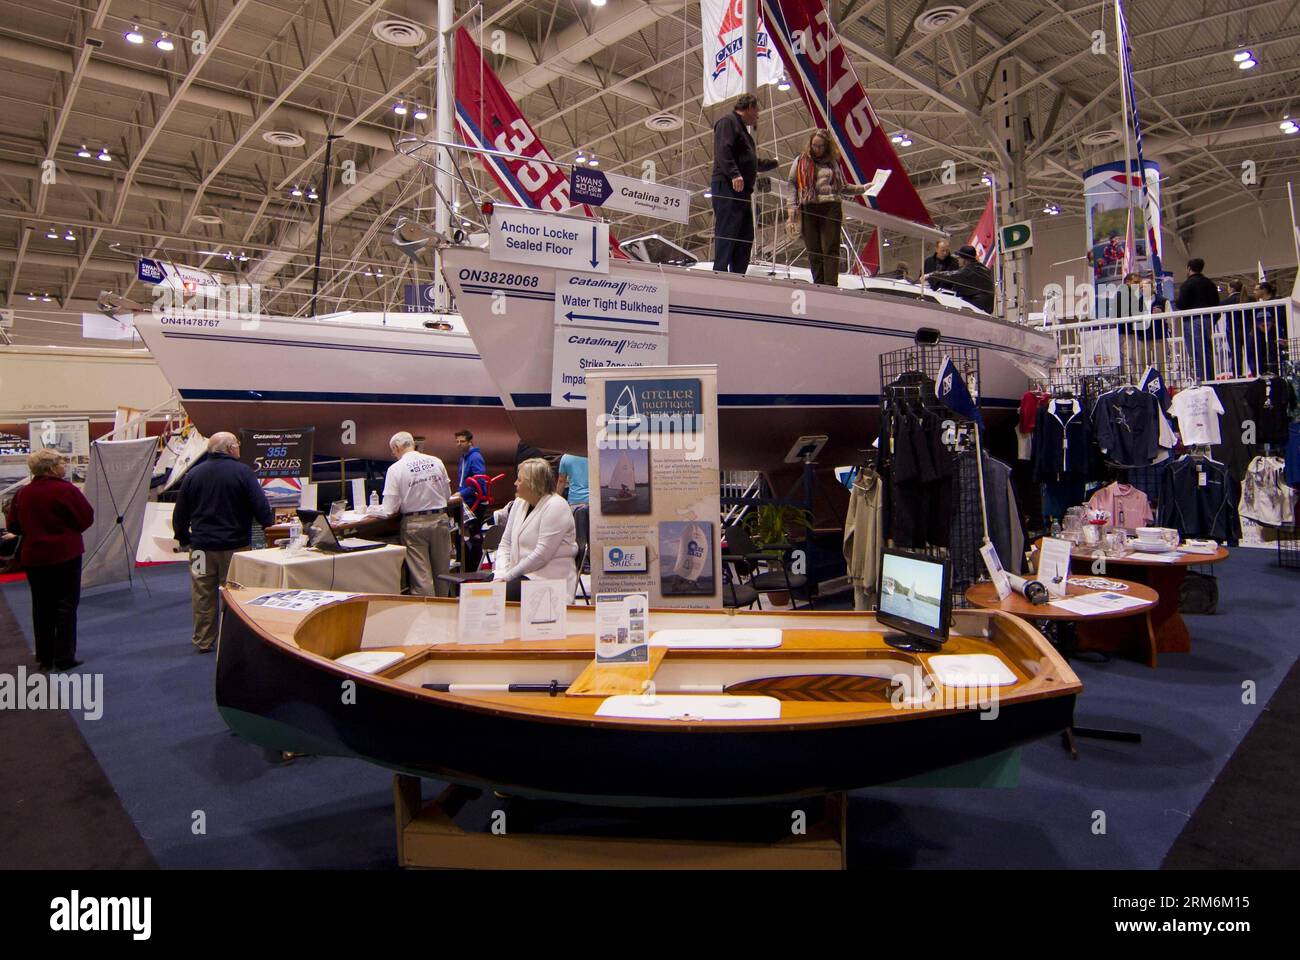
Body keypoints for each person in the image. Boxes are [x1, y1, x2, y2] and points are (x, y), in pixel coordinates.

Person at [173, 432, 273, 654]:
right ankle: (234, 641)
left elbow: (180, 513)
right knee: (235, 594)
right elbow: (261, 507)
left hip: (200, 548)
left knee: (201, 593)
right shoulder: (243, 472)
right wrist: (269, 522)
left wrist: (184, 538)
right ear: (229, 449)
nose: (239, 447)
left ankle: (203, 640)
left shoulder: (193, 474)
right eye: (237, 444)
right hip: (235, 547)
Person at [3, 449, 94, 671]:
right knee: (65, 605)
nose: (64, 465)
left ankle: (44, 656)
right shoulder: (65, 490)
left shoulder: (23, 494)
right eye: (61, 462)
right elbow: (85, 518)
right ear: (52, 468)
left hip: (34, 557)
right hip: (65, 554)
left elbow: (14, 526)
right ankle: (64, 656)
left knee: (41, 606)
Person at [785, 129, 869, 286]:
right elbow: (792, 183)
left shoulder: (834, 163)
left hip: (831, 205)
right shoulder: (801, 160)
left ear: (827, 147)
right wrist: (791, 205)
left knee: (831, 247)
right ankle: (819, 283)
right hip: (808, 206)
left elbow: (842, 187)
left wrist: (863, 188)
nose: (815, 149)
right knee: (813, 249)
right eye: (813, 145)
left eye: (820, 146)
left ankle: (830, 285)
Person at [711, 93, 779, 275]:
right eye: (756, 110)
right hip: (728, 185)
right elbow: (723, 149)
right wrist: (734, 174)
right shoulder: (728, 122)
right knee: (727, 230)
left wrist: (772, 163)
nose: (757, 115)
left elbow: (750, 161)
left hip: (742, 191)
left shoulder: (742, 130)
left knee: (745, 235)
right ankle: (719, 272)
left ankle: (738, 274)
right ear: (748, 107)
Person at [493, 458, 578, 602]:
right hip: (518, 574)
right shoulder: (519, 503)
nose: (515, 483)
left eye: (519, 480)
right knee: (480, 593)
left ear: (533, 484)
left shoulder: (556, 506)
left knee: (496, 598)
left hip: (545, 578)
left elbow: (541, 555)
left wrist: (507, 577)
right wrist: (500, 574)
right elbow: (505, 543)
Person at [382, 432, 452, 597]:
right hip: (440, 520)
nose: (393, 455)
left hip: (415, 525)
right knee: (443, 573)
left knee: (422, 578)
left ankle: (427, 617)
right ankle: (444, 613)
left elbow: (389, 509)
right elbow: (447, 495)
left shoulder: (395, 469)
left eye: (393, 451)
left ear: (397, 448)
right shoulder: (436, 461)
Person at [1176, 257, 1220, 381]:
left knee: (1196, 351)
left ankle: (1202, 378)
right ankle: (1210, 378)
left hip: (1192, 320)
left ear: (1189, 268)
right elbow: (1216, 303)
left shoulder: (1187, 284)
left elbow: (1181, 304)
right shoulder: (1210, 284)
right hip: (1207, 319)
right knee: (1207, 350)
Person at [453, 428, 489, 575]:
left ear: (470, 442)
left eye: (462, 441)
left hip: (475, 502)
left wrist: (462, 493)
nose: (459, 444)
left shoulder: (475, 457)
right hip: (466, 501)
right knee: (463, 533)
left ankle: (473, 567)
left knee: (473, 534)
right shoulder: (463, 457)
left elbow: (479, 482)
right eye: (457, 442)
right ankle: (467, 564)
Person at [924, 244, 994, 312]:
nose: (957, 260)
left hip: (978, 305)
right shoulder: (982, 268)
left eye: (959, 258)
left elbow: (950, 275)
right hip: (987, 306)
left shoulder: (969, 271)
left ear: (965, 260)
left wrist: (930, 275)